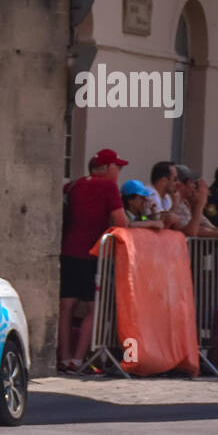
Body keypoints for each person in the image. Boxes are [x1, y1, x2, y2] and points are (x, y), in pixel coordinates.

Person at [58, 148, 129, 372]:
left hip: (68, 250)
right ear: (108, 168)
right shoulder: (108, 186)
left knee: (66, 306)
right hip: (92, 252)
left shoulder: (75, 185)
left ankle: (64, 356)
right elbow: (121, 220)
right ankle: (78, 359)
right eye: (117, 167)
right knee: (94, 306)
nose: (119, 172)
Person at [170, 165, 218, 243]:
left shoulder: (186, 204)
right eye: (192, 183)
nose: (194, 186)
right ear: (180, 185)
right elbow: (191, 231)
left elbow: (208, 227)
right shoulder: (175, 204)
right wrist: (200, 203)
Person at [147, 161, 183, 229]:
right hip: (141, 219)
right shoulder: (149, 193)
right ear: (164, 180)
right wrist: (175, 205)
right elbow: (164, 220)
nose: (177, 183)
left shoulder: (166, 197)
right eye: (175, 179)